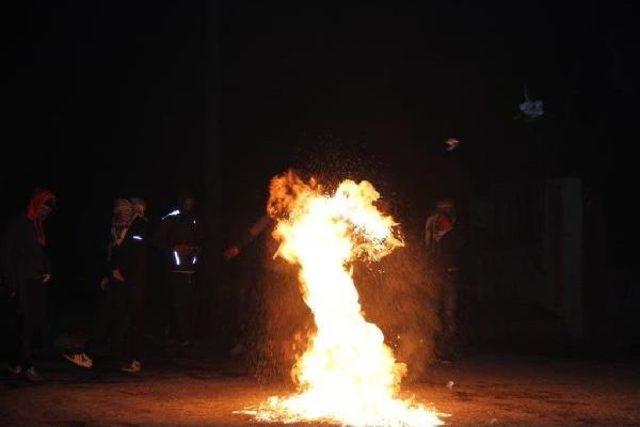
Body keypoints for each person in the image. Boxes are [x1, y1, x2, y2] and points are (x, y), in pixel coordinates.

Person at [65, 198, 147, 372]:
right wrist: (110, 274)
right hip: (123, 282)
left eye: (127, 209)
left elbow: (136, 254)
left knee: (111, 316)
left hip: (129, 283)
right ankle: (130, 359)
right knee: (122, 319)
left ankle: (90, 355)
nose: (122, 213)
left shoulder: (139, 226)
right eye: (119, 211)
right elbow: (115, 252)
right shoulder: (121, 227)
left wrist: (121, 272)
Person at [1, 189, 56, 381]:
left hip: (36, 281)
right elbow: (7, 254)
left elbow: (41, 251)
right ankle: (26, 364)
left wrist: (48, 268)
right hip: (21, 280)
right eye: (43, 207)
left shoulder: (37, 226)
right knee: (23, 322)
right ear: (35, 204)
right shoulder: (19, 224)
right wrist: (11, 283)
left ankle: (17, 361)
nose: (45, 212)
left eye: (49, 209)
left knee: (32, 322)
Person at [154, 194, 204, 346]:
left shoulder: (195, 220)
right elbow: (158, 241)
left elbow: (202, 241)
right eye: (186, 202)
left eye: (191, 202)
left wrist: (194, 250)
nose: (189, 205)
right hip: (171, 269)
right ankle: (168, 333)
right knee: (171, 302)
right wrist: (174, 248)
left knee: (187, 303)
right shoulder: (170, 219)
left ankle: (185, 336)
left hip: (190, 269)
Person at [424, 198, 462, 359]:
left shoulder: (454, 233)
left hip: (449, 276)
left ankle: (447, 351)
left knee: (448, 314)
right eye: (441, 211)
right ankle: (432, 351)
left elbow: (457, 252)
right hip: (435, 276)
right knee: (434, 313)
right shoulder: (431, 231)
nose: (443, 216)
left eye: (447, 212)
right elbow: (428, 250)